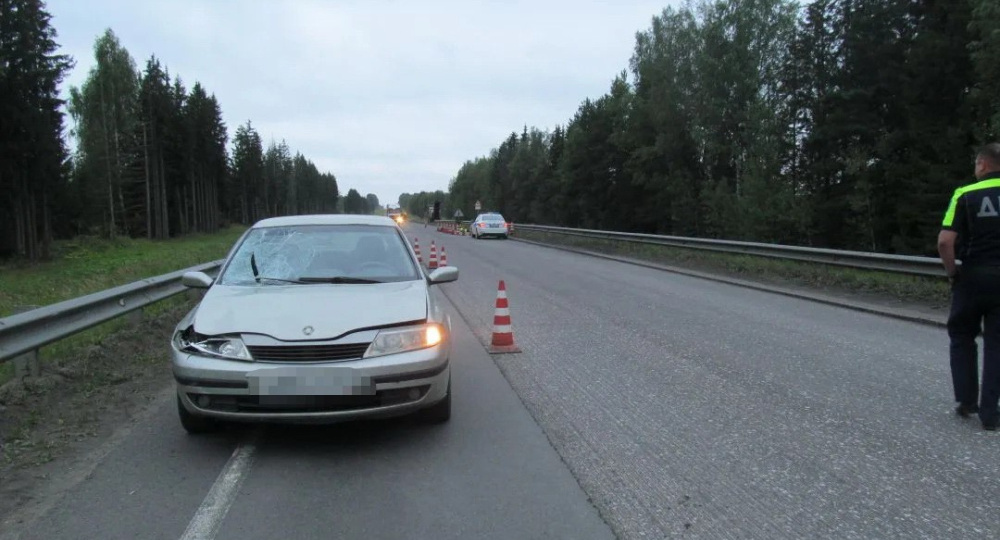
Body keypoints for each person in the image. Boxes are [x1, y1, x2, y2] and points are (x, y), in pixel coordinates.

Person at [938, 142, 1000, 431]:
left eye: (976, 164)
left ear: (984, 165)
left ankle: (966, 400)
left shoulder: (965, 194)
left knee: (962, 334)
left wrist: (953, 274)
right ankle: (991, 413)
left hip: (974, 276)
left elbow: (945, 241)